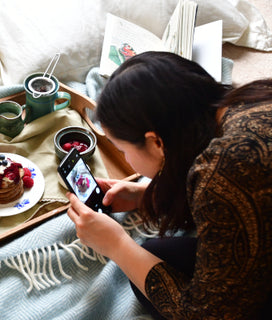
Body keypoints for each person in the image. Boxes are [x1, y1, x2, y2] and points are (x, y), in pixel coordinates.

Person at [66, 51, 272, 319]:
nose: (125, 159)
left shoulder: (222, 174)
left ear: (156, 143)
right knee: (159, 254)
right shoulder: (251, 99)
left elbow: (204, 315)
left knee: (150, 264)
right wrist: (147, 196)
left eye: (122, 149)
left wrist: (116, 244)